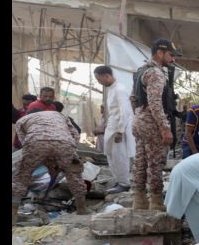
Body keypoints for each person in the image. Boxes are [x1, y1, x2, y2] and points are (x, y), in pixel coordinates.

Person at [13, 109, 88, 223]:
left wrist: (45, 161)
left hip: (36, 141)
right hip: (65, 142)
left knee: (21, 176)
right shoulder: (60, 115)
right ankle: (82, 210)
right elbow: (75, 134)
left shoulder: (21, 121)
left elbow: (25, 143)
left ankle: (13, 215)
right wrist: (71, 151)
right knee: (74, 175)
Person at [132, 39, 179, 210]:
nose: (173, 59)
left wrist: (139, 117)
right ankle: (156, 203)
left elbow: (133, 99)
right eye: (171, 55)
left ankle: (139, 201)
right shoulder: (156, 73)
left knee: (141, 162)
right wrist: (165, 128)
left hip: (139, 121)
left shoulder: (140, 71)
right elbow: (155, 103)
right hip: (151, 123)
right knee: (155, 163)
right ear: (160, 53)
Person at [93, 65, 136, 194]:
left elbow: (125, 112)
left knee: (120, 156)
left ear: (107, 75)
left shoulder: (120, 89)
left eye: (99, 79)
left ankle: (124, 183)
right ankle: (119, 181)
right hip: (112, 127)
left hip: (119, 129)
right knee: (111, 156)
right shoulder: (111, 89)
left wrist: (120, 131)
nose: (99, 82)